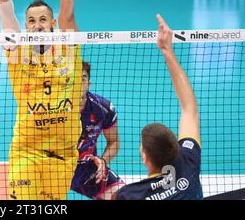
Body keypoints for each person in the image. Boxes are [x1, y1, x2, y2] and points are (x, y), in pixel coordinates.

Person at [0, 0, 93, 200]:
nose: (38, 26)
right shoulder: (18, 54)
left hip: (63, 155)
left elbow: (68, 19)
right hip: (26, 151)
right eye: (31, 21)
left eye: (43, 20)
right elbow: (9, 24)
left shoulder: (69, 50)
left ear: (52, 24)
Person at [115, 15, 203, 200]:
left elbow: (190, 110)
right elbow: (190, 109)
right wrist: (168, 52)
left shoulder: (128, 195)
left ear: (144, 157)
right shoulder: (189, 163)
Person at [70, 61, 125, 200]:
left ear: (88, 83)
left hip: (86, 169)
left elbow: (113, 141)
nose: (78, 84)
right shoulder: (52, 110)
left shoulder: (103, 109)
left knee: (124, 197)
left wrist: (103, 161)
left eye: (82, 79)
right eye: (74, 79)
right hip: (53, 167)